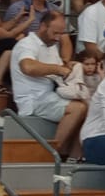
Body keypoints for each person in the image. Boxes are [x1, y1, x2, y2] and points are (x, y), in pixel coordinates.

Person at [9, 9, 88, 161]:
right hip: (32, 99)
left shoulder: (51, 46)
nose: (58, 38)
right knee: (78, 108)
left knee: (87, 104)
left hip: (49, 95)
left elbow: (60, 70)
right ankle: (50, 152)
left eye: (61, 33)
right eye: (55, 33)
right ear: (43, 26)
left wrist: (69, 66)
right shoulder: (26, 44)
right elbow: (28, 67)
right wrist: (58, 69)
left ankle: (72, 157)